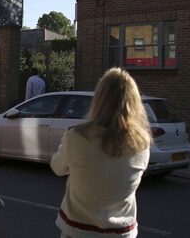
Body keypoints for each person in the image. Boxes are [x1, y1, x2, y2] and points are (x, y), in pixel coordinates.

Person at [50, 68, 152, 238]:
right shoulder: (142, 144)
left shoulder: (76, 137)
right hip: (121, 232)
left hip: (78, 230)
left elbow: (57, 167)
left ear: (98, 100)